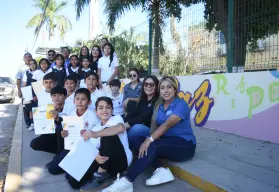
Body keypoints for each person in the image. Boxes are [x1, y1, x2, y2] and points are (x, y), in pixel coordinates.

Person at [102, 76, 196, 192]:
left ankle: (127, 181)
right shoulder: (160, 106)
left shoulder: (181, 104)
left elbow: (167, 124)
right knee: (137, 139)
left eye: (169, 87)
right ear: (159, 90)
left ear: (175, 89)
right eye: (162, 88)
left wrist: (149, 139)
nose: (166, 91)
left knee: (152, 144)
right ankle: (161, 169)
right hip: (166, 142)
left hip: (184, 145)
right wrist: (147, 139)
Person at [73, 97, 132, 191]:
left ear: (112, 110)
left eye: (108, 107)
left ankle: (101, 174)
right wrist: (95, 155)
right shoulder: (96, 127)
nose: (104, 110)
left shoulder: (116, 118)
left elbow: (120, 128)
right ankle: (105, 177)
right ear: (96, 111)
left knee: (107, 133)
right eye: (101, 108)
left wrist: (95, 134)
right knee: (75, 182)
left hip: (121, 161)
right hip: (105, 161)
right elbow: (92, 146)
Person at [47, 88, 99, 175]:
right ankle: (70, 164)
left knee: (55, 170)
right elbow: (68, 131)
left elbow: (98, 136)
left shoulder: (93, 116)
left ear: (89, 102)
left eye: (83, 99)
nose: (80, 102)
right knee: (52, 169)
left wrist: (88, 134)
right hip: (72, 146)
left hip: (86, 147)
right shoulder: (72, 113)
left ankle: (75, 164)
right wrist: (65, 133)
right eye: (77, 99)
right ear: (74, 101)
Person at [30, 85, 70, 155]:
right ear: (51, 98)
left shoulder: (70, 108)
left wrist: (57, 118)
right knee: (34, 144)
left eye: (59, 95)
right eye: (54, 95)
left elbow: (69, 126)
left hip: (65, 135)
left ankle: (59, 155)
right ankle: (59, 152)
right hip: (52, 133)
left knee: (59, 130)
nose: (57, 97)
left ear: (65, 97)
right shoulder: (48, 108)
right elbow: (44, 126)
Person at [15, 53, 32, 127]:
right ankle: (28, 123)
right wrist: (19, 91)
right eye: (26, 57)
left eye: (29, 57)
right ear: (23, 59)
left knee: (34, 107)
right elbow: (18, 80)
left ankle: (34, 123)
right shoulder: (21, 68)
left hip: (34, 89)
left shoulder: (35, 66)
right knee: (26, 108)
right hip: (25, 90)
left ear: (31, 57)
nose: (27, 58)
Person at [22, 59, 38, 131]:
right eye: (31, 64)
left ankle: (38, 124)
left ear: (36, 64)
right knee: (30, 110)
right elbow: (24, 84)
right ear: (29, 65)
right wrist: (25, 95)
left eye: (34, 63)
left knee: (36, 109)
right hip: (28, 93)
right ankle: (32, 124)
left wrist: (37, 95)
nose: (32, 65)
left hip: (37, 93)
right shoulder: (27, 73)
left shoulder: (39, 72)